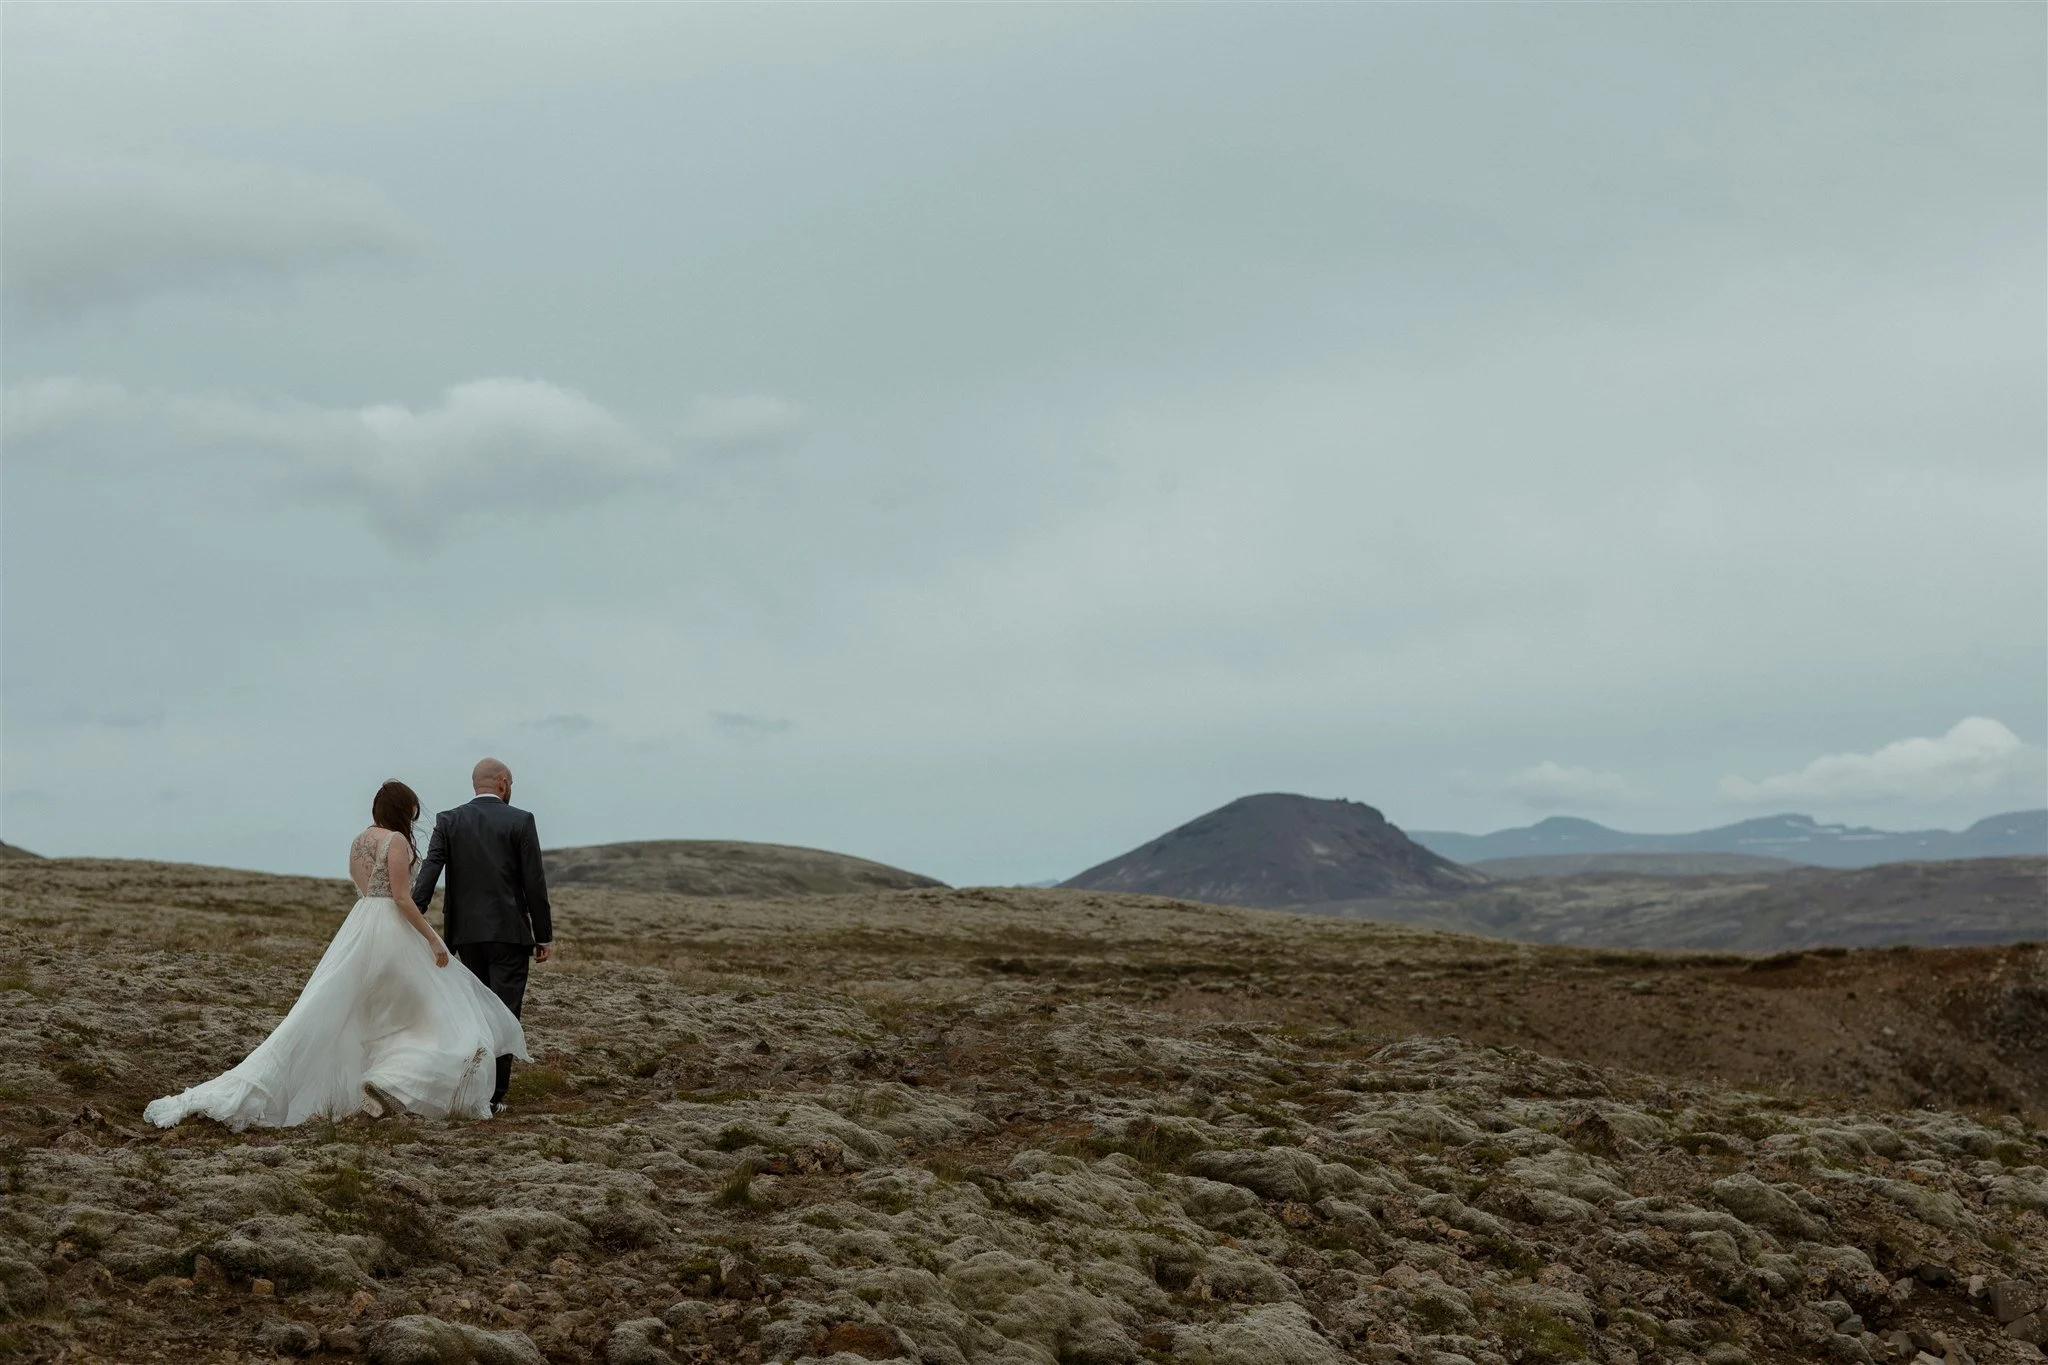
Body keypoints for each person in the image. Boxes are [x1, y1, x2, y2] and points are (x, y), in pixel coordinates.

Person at [144, 780, 528, 1129]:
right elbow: (400, 897)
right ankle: (396, 1081)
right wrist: (431, 939)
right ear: (401, 811)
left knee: (364, 1010)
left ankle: (382, 1081)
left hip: (361, 924)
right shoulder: (394, 841)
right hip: (389, 928)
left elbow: (364, 888)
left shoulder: (359, 840)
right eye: (411, 811)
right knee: (427, 1011)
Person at [410, 757, 554, 1113]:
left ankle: (470, 1086)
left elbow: (430, 870)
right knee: (504, 1011)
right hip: (509, 934)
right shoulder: (521, 820)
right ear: (503, 782)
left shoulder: (449, 820)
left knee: (472, 1010)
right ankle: (492, 1096)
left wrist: (413, 913)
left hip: (465, 935)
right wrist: (544, 934)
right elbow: (533, 883)